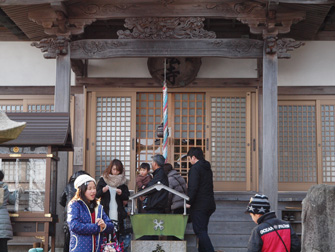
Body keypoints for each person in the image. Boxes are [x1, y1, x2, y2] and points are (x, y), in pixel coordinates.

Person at [67, 174, 114, 252]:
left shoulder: (98, 207)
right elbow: (74, 225)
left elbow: (110, 226)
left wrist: (104, 225)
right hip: (80, 249)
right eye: (89, 189)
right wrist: (97, 228)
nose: (93, 191)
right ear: (81, 190)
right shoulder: (75, 205)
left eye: (94, 188)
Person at [187, 147, 216, 252]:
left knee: (199, 230)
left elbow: (193, 187)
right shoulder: (207, 168)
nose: (189, 161)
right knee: (203, 230)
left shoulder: (195, 169)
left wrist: (189, 201)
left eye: (189, 159)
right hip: (209, 203)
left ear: (194, 157)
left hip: (199, 205)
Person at [96, 159, 130, 240]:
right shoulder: (103, 180)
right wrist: (103, 190)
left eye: (118, 170)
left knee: (117, 234)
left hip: (118, 212)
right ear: (110, 169)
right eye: (114, 169)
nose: (115, 172)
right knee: (105, 233)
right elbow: (96, 194)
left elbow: (126, 197)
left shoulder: (123, 182)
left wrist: (121, 193)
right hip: (105, 210)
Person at [59, 170, 89, 252]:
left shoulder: (68, 186)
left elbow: (62, 201)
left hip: (68, 218)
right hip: (83, 219)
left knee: (68, 242)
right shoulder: (86, 186)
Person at [0, 170, 17, 252]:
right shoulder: (5, 189)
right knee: (3, 248)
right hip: (3, 224)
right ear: (2, 179)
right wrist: (17, 193)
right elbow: (13, 200)